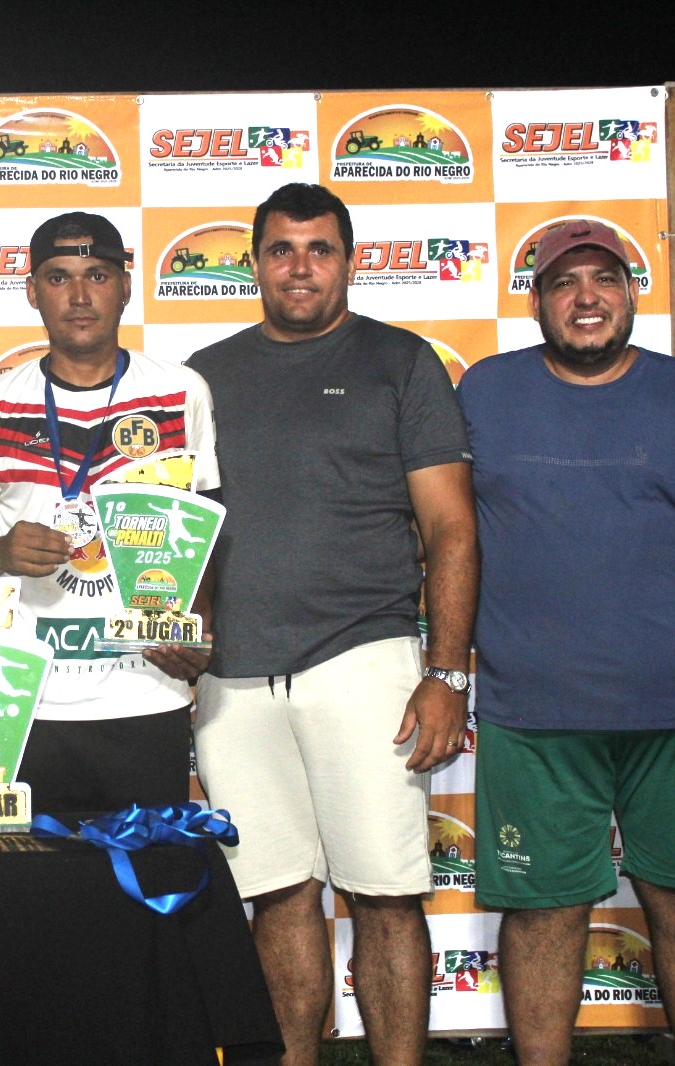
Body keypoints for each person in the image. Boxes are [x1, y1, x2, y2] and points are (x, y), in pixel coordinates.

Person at [457, 218, 675, 1065]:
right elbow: (438, 523)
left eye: (604, 278)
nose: (586, 297)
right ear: (536, 302)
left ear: (631, 293)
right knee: (542, 913)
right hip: (533, 710)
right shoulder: (485, 392)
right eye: (564, 282)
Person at [186, 183, 477, 1066]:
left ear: (350, 261)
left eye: (320, 249)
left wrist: (447, 673)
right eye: (282, 249)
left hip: (365, 660)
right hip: (233, 675)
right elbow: (178, 530)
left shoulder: (401, 361)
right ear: (255, 264)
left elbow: (451, 528)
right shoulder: (203, 375)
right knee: (277, 895)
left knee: (385, 896)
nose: (301, 267)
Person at [0, 211, 219, 812]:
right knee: (41, 874)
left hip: (147, 696)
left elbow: (210, 539)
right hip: (28, 702)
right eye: (59, 278)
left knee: (147, 870)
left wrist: (197, 629)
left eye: (98, 275)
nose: (80, 296)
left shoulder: (180, 392)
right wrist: (0, 552)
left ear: (125, 287)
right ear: (32, 292)